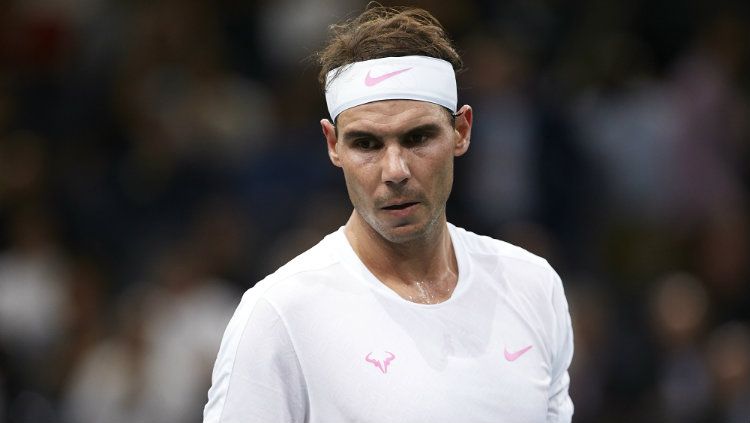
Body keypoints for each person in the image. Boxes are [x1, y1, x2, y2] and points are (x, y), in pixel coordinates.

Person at [203, 5, 574, 423]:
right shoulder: (279, 315)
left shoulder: (533, 286)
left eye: (418, 137)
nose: (395, 171)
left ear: (461, 131)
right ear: (333, 145)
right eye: (367, 144)